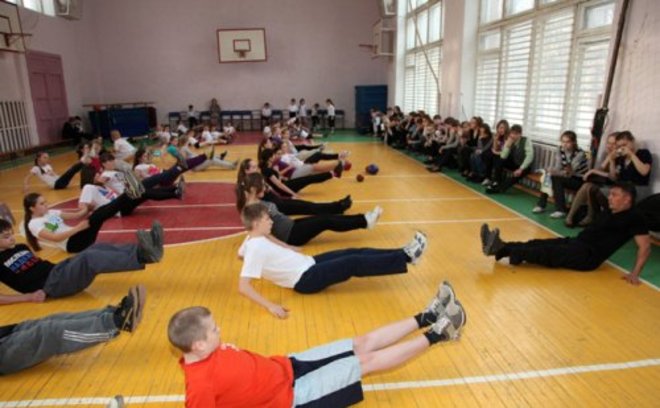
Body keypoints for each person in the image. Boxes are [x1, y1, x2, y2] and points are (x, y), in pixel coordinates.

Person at [168, 283, 465, 406]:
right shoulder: (199, 386)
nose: (219, 330)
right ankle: (440, 333)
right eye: (214, 330)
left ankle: (427, 316)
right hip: (293, 397)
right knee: (365, 362)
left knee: (361, 343)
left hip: (289, 365)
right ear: (198, 345)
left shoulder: (207, 349)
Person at [481, 181, 651, 285]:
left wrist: (635, 274)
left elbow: (645, 247)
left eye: (614, 195)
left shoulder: (634, 217)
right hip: (578, 243)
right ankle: (501, 247)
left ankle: (500, 248)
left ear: (627, 199)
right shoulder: (612, 209)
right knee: (538, 243)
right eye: (610, 194)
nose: (609, 197)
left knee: (546, 252)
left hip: (587, 256)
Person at [0, 218, 162, 305]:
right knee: (89, 258)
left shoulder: (20, 246)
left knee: (96, 247)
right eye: (6, 237)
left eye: (11, 234)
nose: (12, 238)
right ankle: (144, 256)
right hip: (50, 287)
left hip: (58, 271)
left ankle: (144, 249)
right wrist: (28, 297)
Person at [0, 285, 146, 375]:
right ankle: (115, 322)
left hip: (6, 333)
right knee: (50, 332)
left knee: (55, 319)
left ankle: (115, 314)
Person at [238, 176, 382, 246]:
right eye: (262, 186)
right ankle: (365, 221)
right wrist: (285, 247)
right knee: (326, 221)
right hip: (292, 236)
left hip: (292, 225)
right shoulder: (253, 208)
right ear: (253, 189)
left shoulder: (257, 202)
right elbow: (262, 234)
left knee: (325, 216)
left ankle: (364, 219)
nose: (265, 188)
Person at [237, 159, 352, 216]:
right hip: (279, 207)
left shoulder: (256, 179)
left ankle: (337, 206)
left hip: (281, 202)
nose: (257, 169)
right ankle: (339, 207)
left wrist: (288, 197)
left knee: (308, 205)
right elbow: (249, 205)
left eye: (256, 167)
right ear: (246, 170)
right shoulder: (246, 184)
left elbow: (272, 193)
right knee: (308, 207)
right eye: (253, 167)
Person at [532, 130, 589, 218]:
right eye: (563, 142)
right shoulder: (560, 149)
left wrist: (555, 173)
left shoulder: (580, 154)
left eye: (568, 142)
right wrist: (551, 171)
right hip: (566, 176)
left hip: (578, 179)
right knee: (549, 176)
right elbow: (558, 166)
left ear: (574, 142)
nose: (564, 144)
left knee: (555, 179)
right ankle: (541, 205)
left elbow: (570, 172)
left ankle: (561, 210)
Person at [486, 124, 534, 194]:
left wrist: (521, 169)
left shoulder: (526, 141)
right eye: (512, 133)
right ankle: (496, 182)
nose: (513, 136)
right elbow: (503, 156)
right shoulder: (509, 140)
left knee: (515, 176)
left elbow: (530, 156)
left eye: (515, 134)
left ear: (520, 134)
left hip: (524, 166)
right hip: (515, 163)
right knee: (499, 161)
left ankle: (500, 189)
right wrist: (507, 146)